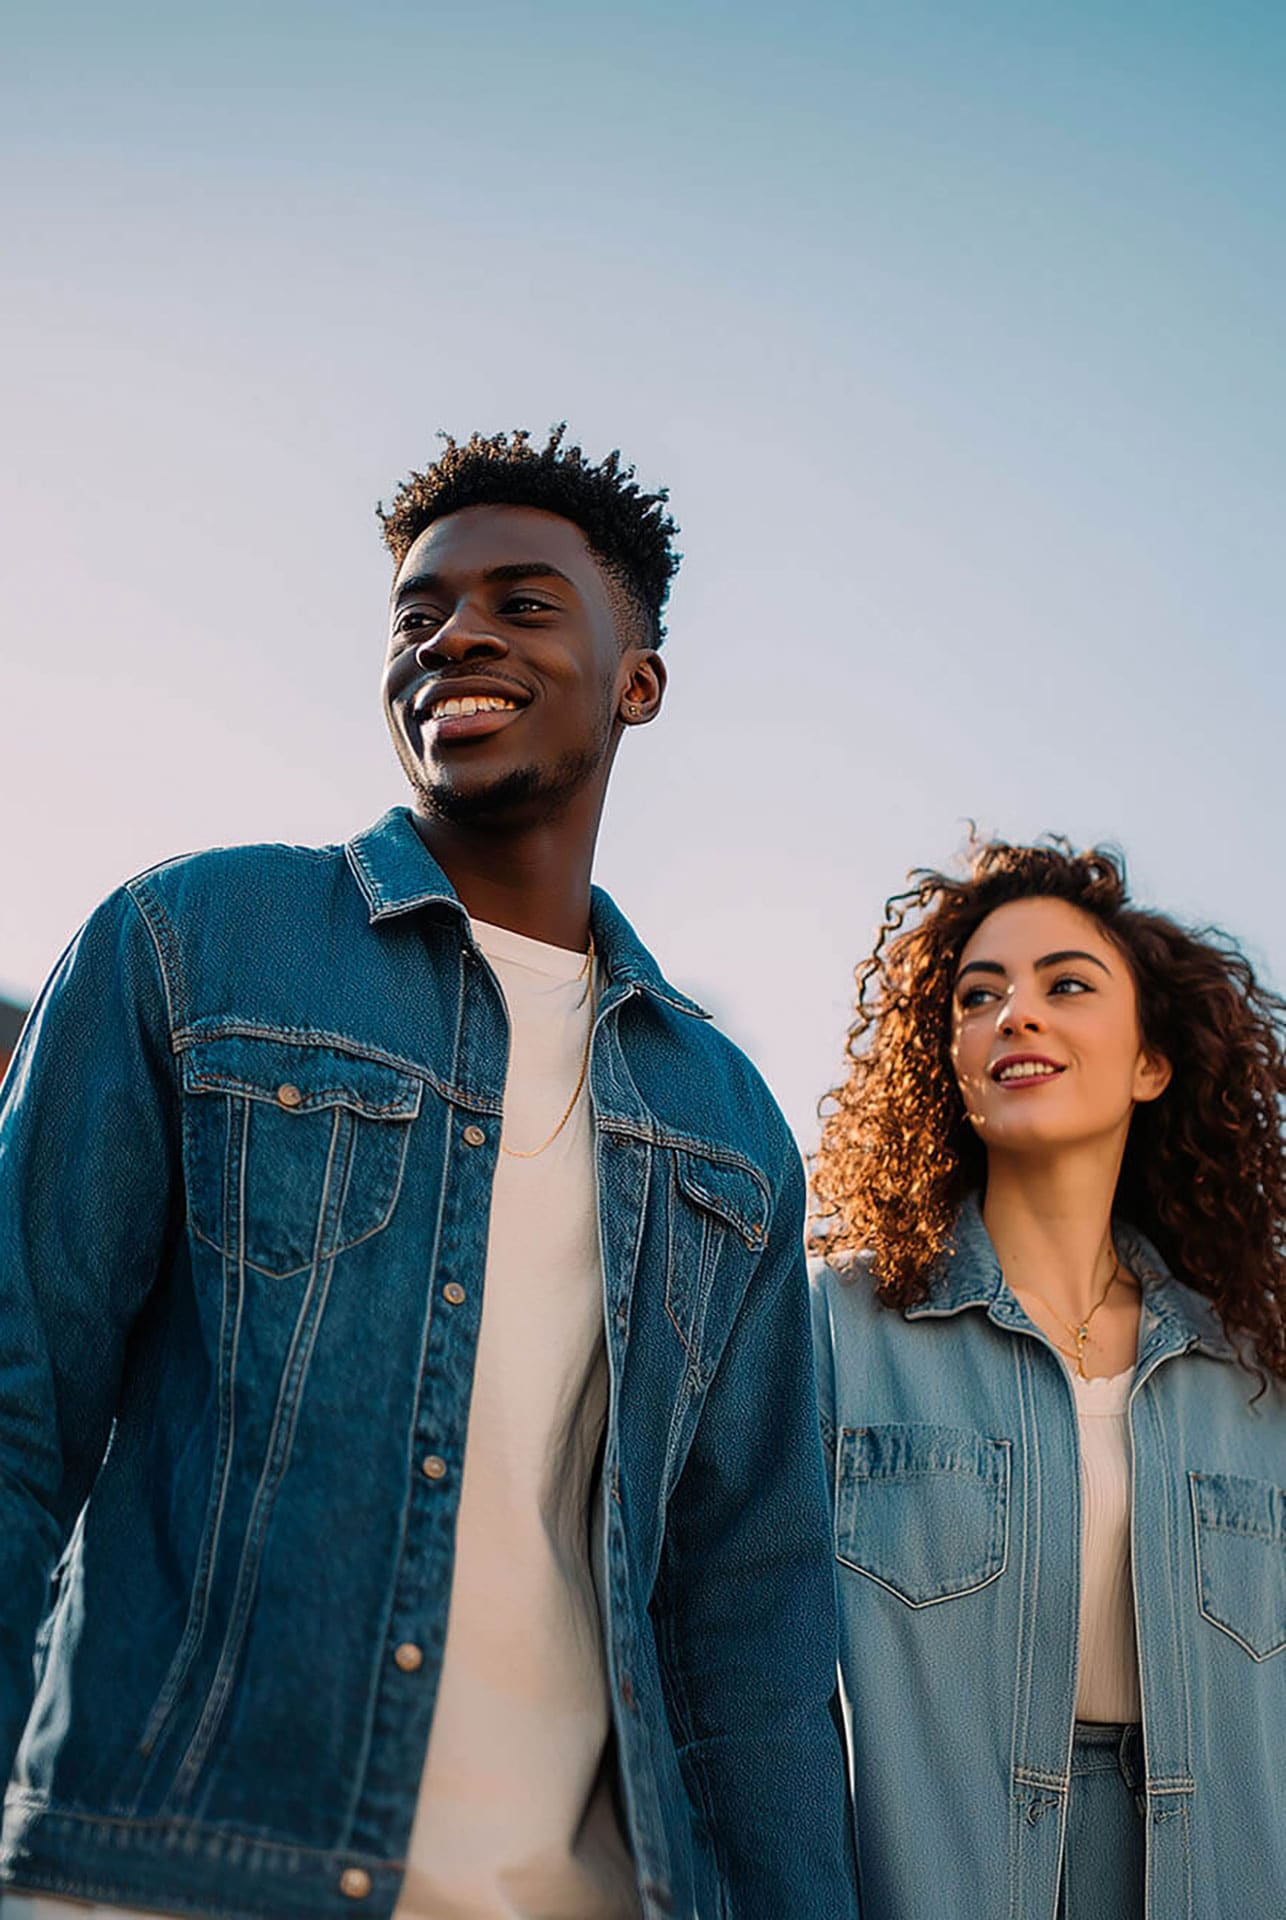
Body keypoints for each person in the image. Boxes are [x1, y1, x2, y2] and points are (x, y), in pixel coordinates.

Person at [0, 426, 856, 1920]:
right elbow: (16, 1416)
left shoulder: (725, 1120)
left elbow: (750, 1614)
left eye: (524, 603)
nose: (455, 633)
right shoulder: (188, 943)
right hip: (169, 1877)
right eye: (419, 612)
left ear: (638, 680)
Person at [810, 838, 1286, 1920]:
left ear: (1148, 1063)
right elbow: (761, 1683)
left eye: (1064, 984)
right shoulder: (838, 1328)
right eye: (978, 997)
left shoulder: (1257, 1375)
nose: (1013, 1014)